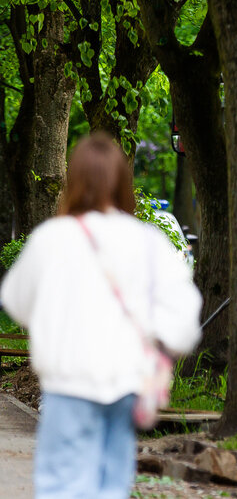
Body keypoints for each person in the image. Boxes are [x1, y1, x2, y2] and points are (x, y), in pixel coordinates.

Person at [0, 133, 202, 498]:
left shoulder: (52, 239)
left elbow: (15, 301)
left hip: (67, 383)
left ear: (72, 181)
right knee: (111, 486)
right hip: (126, 386)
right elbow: (185, 318)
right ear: (123, 183)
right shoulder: (147, 242)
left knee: (62, 486)